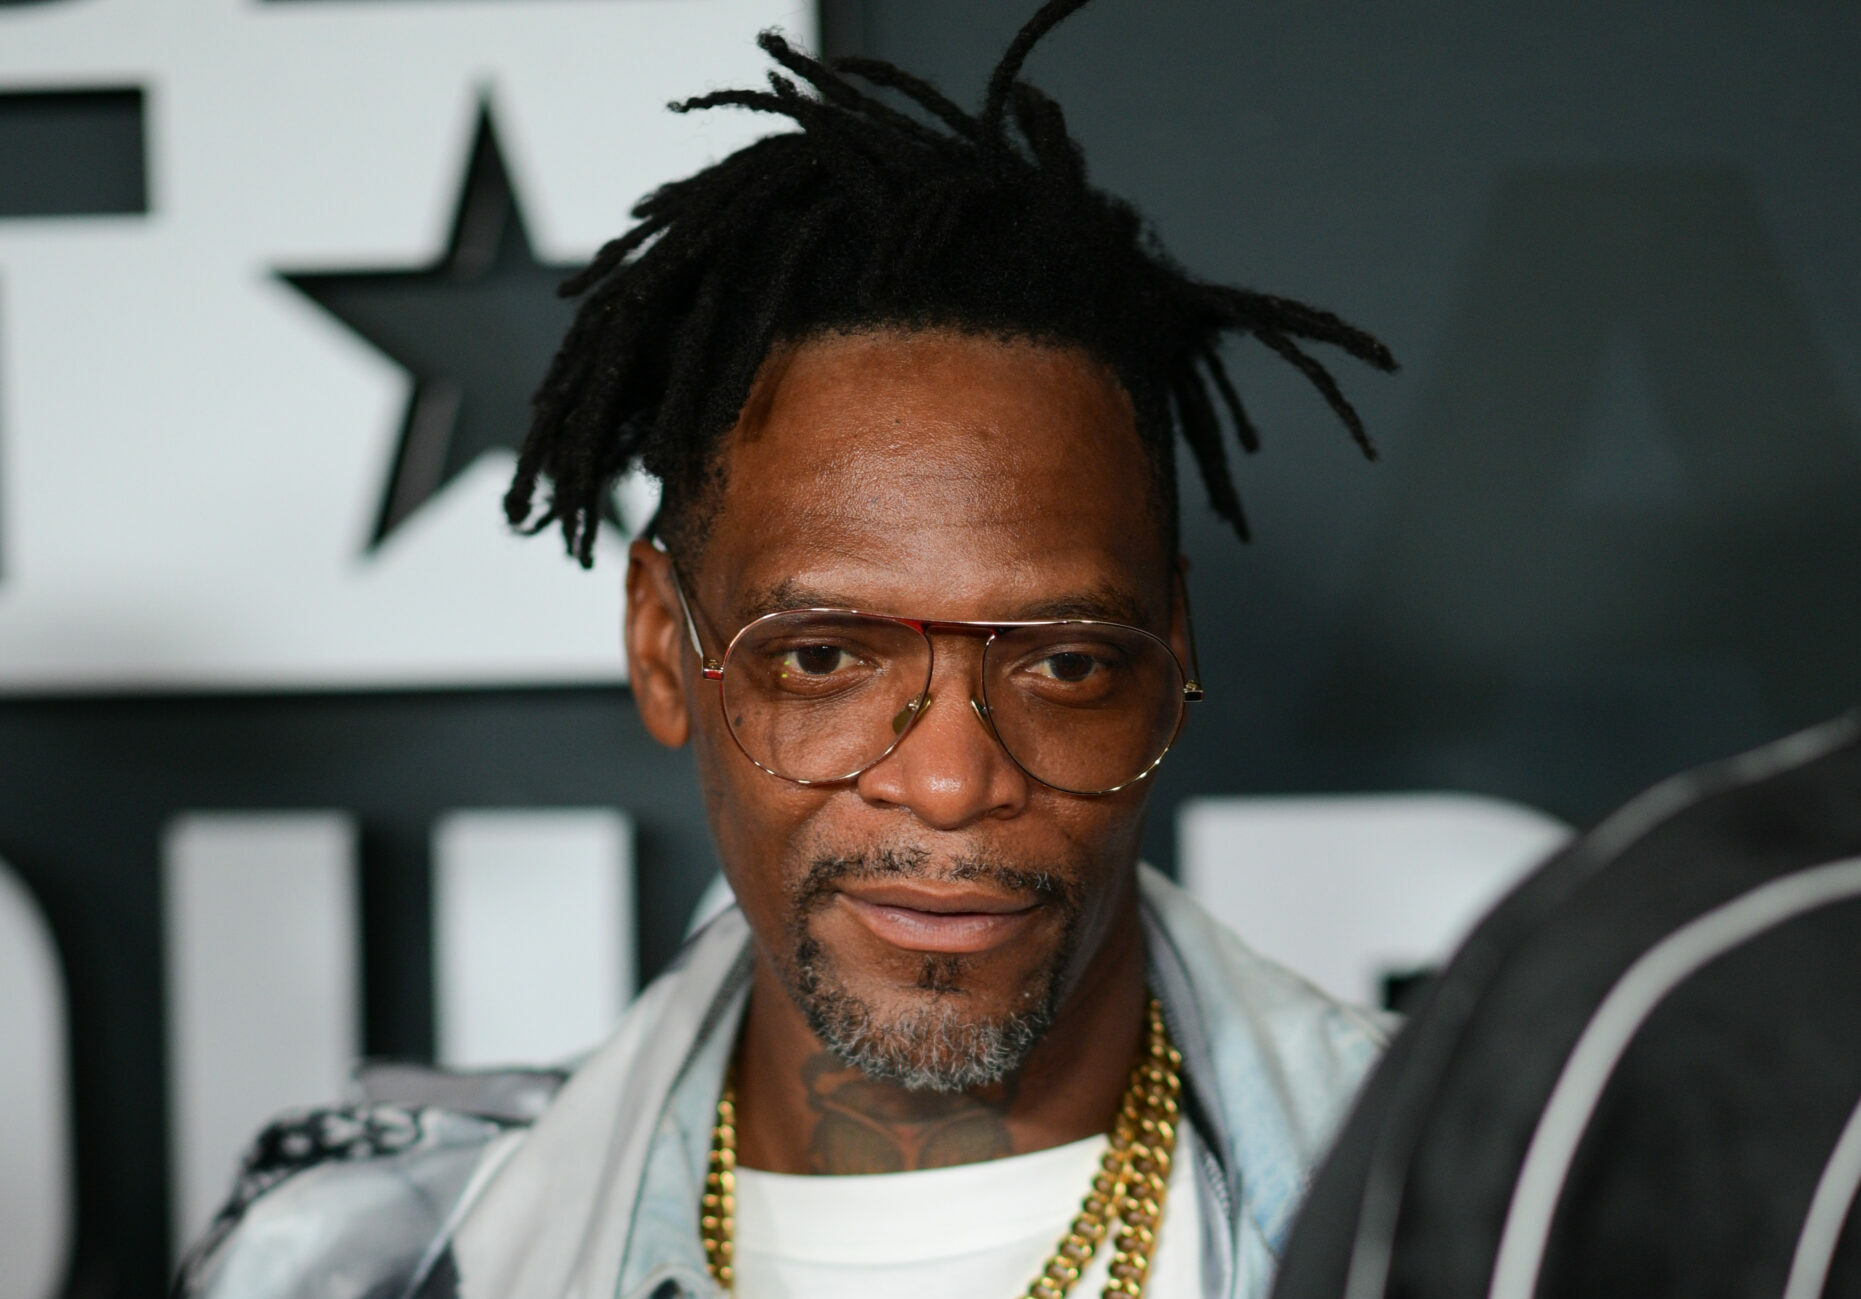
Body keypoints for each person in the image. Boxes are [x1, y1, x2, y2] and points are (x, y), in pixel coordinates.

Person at [176, 3, 1399, 1296]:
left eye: (1063, 664)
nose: (949, 782)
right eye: (823, 659)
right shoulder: (346, 1262)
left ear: (1171, 654)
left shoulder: (1484, 1209)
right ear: (663, 647)